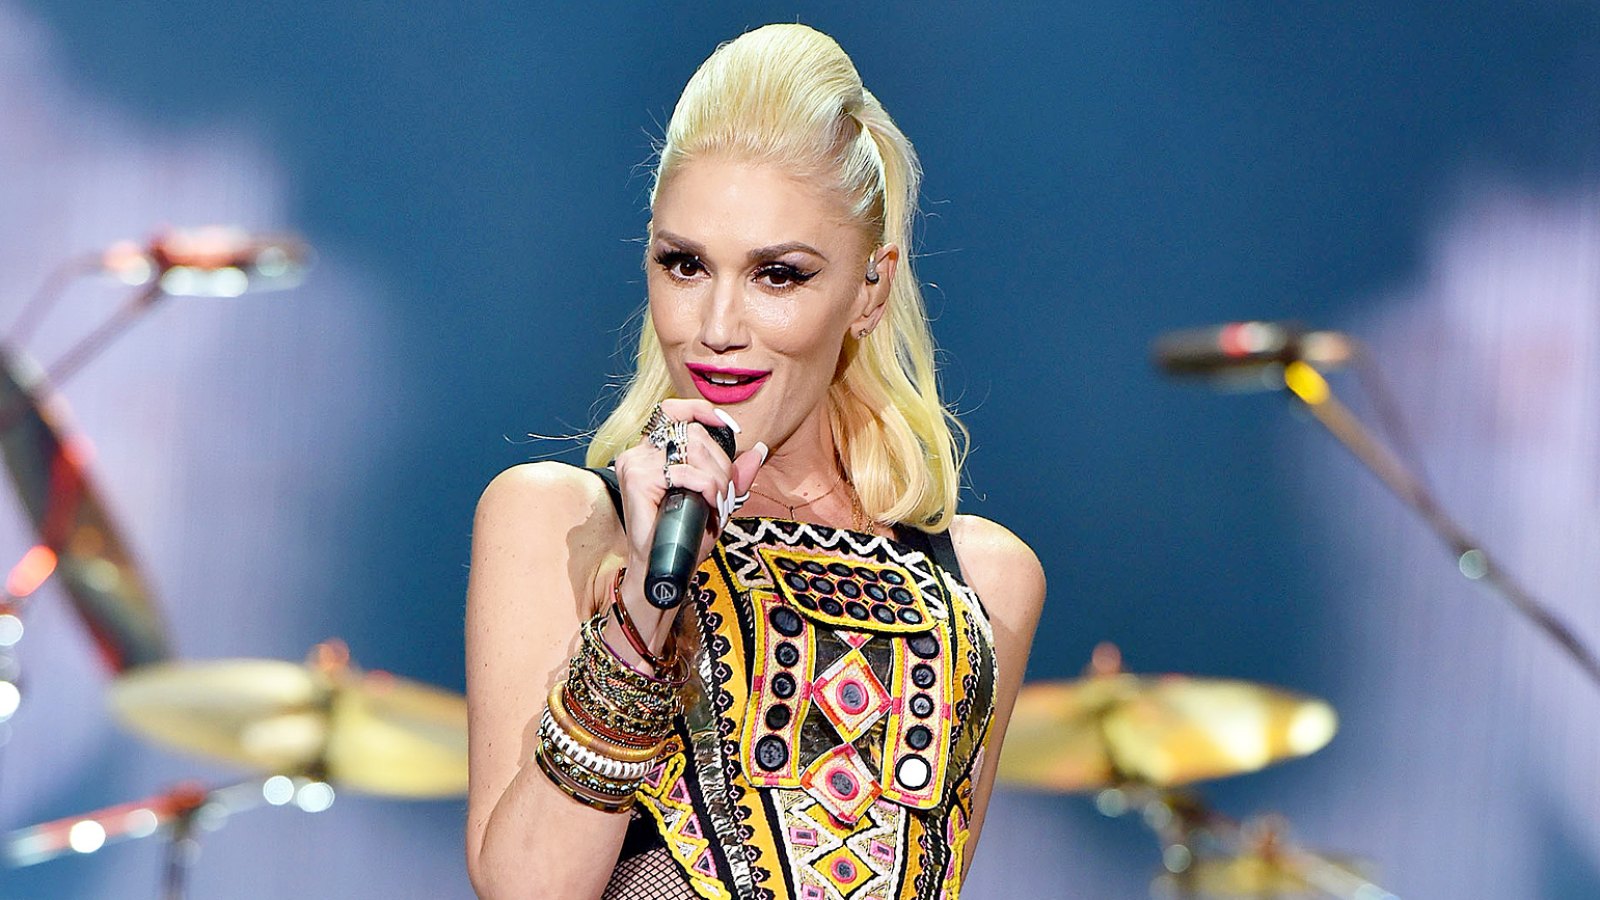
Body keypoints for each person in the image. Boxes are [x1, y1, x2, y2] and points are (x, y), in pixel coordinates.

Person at [465, 23, 1045, 900]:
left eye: (778, 274)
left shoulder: (986, 583)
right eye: (685, 264)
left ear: (871, 288)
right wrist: (642, 614)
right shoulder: (560, 521)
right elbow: (525, 892)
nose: (719, 326)